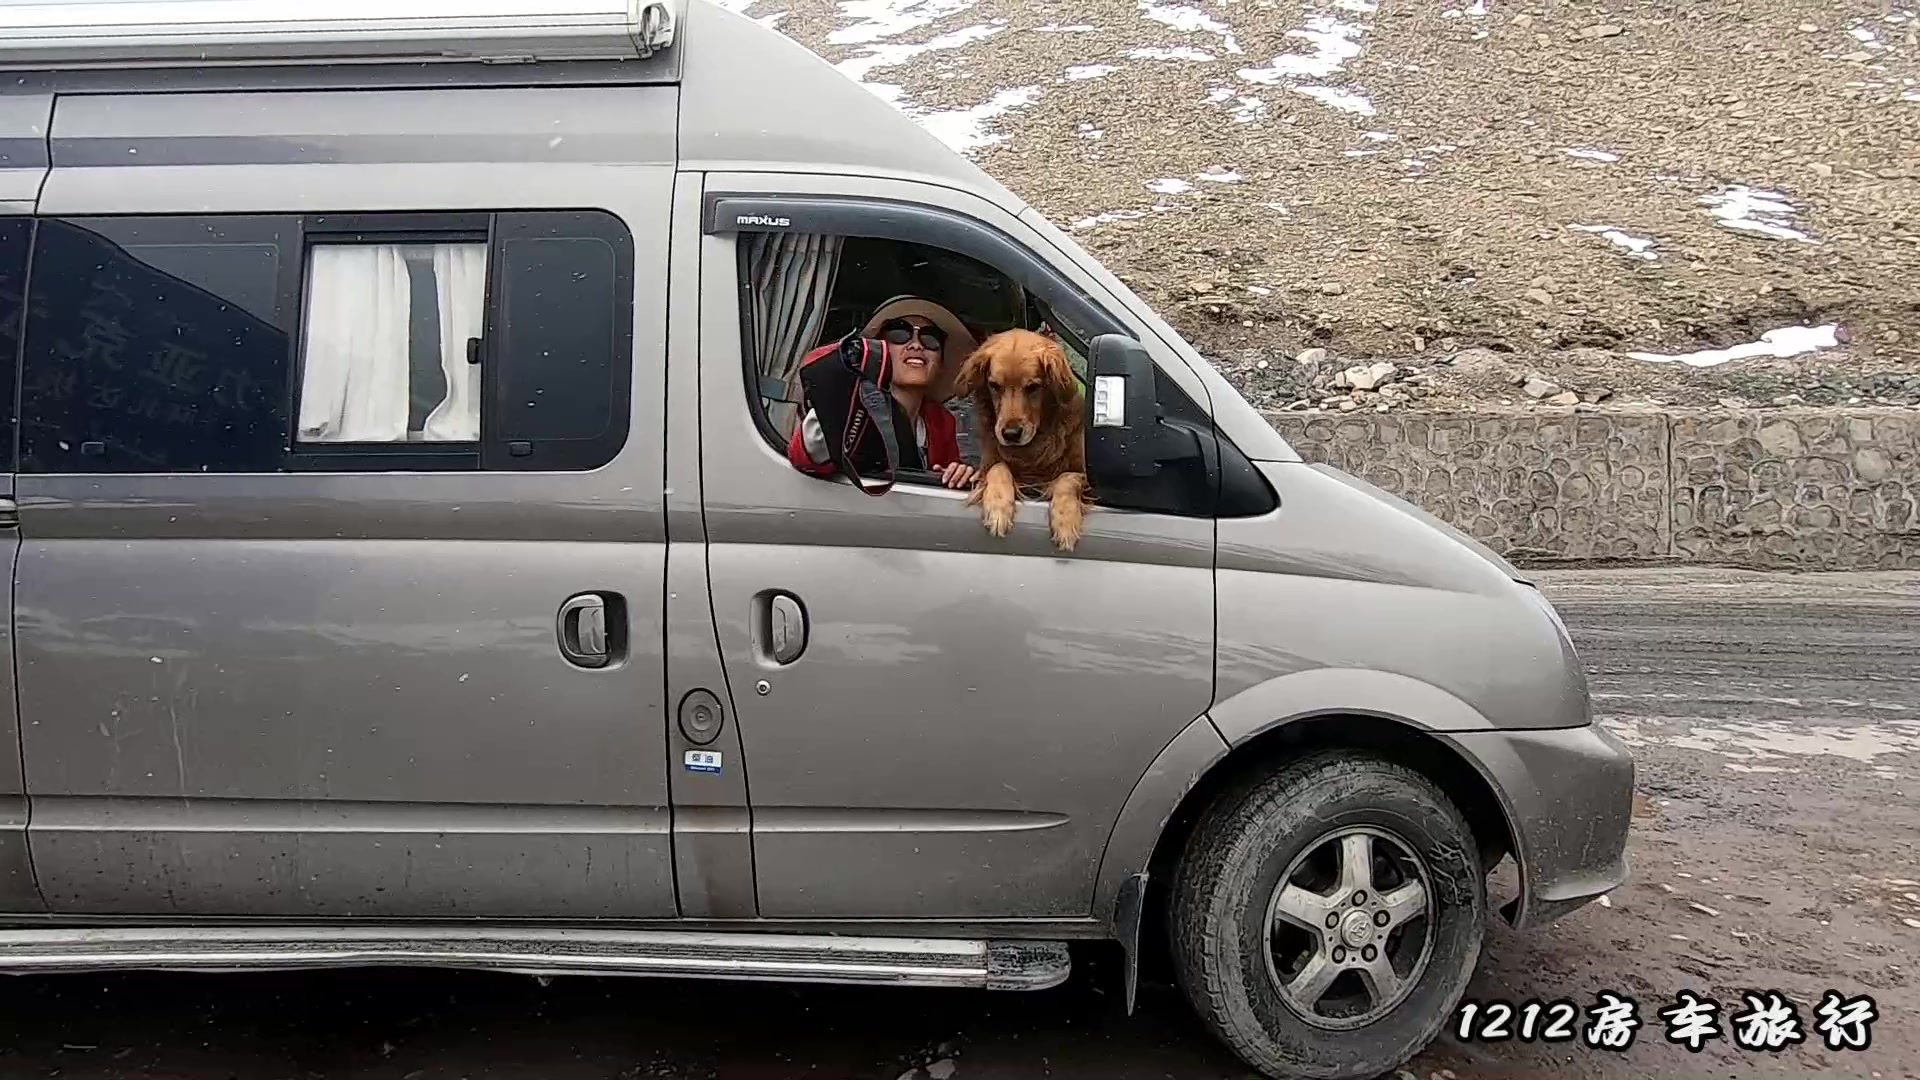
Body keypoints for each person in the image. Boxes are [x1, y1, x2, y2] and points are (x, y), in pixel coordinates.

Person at [787, 295, 980, 490]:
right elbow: (806, 457)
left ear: (940, 363)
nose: (916, 345)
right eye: (899, 334)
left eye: (930, 338)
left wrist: (958, 475)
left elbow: (942, 495)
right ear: (877, 351)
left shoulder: (942, 421)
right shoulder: (854, 406)